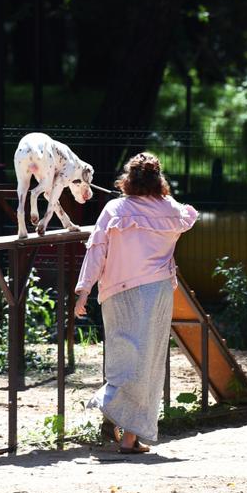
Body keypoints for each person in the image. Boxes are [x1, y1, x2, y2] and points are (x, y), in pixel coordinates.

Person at [74, 152, 198, 454]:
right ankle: (128, 434)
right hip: (156, 293)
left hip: (117, 293)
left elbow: (96, 250)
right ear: (159, 179)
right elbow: (187, 215)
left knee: (122, 358)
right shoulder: (171, 210)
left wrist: (84, 290)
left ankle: (112, 409)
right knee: (148, 365)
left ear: (128, 179)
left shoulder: (115, 209)